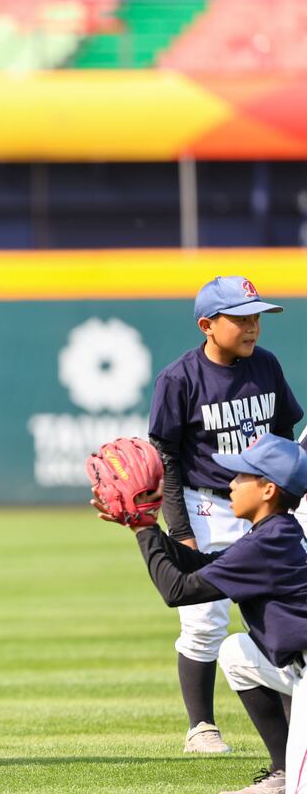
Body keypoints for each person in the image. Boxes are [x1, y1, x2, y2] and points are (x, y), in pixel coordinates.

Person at [148, 276, 302, 753]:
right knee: (204, 621)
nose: (252, 326)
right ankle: (201, 726)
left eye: (256, 317)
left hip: (267, 501)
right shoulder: (180, 378)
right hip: (208, 504)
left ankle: (294, 720)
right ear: (207, 325)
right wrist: (180, 529)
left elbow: (284, 437)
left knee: (277, 609)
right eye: (240, 318)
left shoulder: (266, 365)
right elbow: (167, 457)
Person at [104, 433, 307, 794]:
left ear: (268, 490)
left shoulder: (268, 543)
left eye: (243, 476)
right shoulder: (275, 533)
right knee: (236, 653)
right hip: (297, 667)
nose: (231, 483)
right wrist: (148, 524)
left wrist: (143, 528)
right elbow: (201, 563)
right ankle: (282, 770)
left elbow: (177, 591)